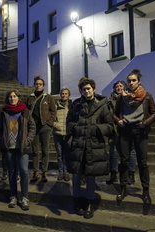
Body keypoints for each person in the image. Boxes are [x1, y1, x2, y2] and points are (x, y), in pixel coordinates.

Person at [67, 78, 114, 219]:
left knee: (91, 176)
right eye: (83, 89)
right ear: (81, 91)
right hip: (78, 145)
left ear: (93, 89)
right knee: (76, 175)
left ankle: (89, 203)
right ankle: (77, 201)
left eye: (88, 88)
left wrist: (97, 129)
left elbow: (110, 125)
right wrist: (75, 127)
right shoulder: (76, 106)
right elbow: (69, 123)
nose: (86, 91)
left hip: (93, 145)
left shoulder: (102, 106)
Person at [113, 69, 155, 205]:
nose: (131, 83)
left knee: (142, 163)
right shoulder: (122, 97)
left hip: (140, 130)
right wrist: (118, 121)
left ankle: (145, 191)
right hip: (125, 130)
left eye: (134, 80)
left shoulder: (147, 96)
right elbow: (114, 114)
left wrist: (145, 123)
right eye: (129, 81)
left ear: (139, 82)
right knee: (124, 161)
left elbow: (154, 113)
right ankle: (123, 188)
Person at [0, 90, 36, 210]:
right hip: (9, 147)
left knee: (23, 171)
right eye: (10, 97)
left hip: (22, 147)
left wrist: (27, 140)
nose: (12, 98)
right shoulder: (3, 112)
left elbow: (32, 127)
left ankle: (24, 198)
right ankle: (13, 196)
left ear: (18, 98)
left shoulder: (25, 111)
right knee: (12, 172)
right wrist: (2, 140)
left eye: (14, 96)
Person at [26, 76, 56, 182]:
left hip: (45, 127)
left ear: (43, 86)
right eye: (36, 84)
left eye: (40, 84)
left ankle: (44, 172)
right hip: (34, 128)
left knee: (45, 150)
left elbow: (53, 111)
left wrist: (49, 123)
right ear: (34, 85)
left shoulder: (48, 97)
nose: (38, 85)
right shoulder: (30, 97)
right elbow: (26, 111)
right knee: (35, 151)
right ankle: (35, 172)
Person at [106, 81, 137, 185]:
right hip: (114, 130)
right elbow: (107, 114)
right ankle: (113, 174)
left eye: (121, 86)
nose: (119, 88)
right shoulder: (109, 101)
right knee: (113, 154)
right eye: (117, 86)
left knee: (131, 152)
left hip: (128, 128)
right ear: (114, 88)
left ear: (124, 87)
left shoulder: (130, 97)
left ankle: (130, 174)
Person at [53, 88, 72, 181]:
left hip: (68, 133)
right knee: (60, 154)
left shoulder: (71, 105)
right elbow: (52, 117)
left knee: (67, 154)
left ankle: (67, 172)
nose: (64, 95)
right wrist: (55, 125)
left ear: (69, 95)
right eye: (62, 94)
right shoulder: (56, 105)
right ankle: (61, 172)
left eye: (66, 94)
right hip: (58, 132)